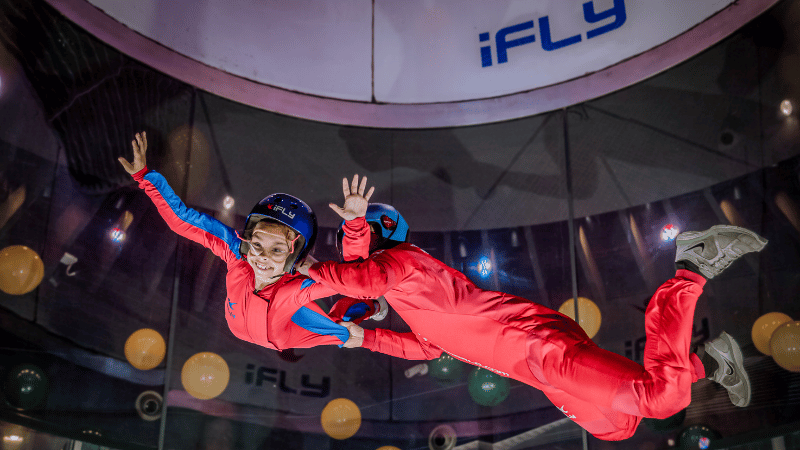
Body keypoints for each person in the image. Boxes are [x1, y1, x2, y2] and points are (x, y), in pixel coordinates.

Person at [304, 174, 767, 441]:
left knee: (662, 401)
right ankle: (708, 362)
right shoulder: (412, 301)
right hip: (539, 369)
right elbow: (423, 348)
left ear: (379, 244)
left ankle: (691, 266)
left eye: (365, 243)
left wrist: (307, 265)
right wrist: (360, 336)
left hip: (542, 348)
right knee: (618, 427)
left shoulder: (405, 266)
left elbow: (362, 279)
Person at [117, 132, 416, 353]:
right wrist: (145, 176)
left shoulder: (294, 290)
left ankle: (374, 307)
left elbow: (355, 279)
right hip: (247, 327)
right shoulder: (237, 254)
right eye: (257, 245)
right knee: (342, 320)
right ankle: (371, 305)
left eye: (276, 251)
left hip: (288, 334)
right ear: (247, 239)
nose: (261, 258)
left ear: (292, 254)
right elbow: (183, 220)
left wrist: (357, 230)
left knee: (343, 329)